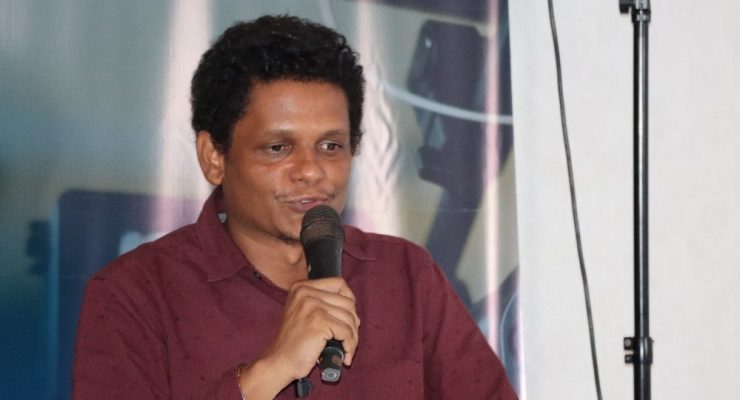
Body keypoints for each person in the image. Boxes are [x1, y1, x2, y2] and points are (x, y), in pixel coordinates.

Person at [72, 14, 517, 399]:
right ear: (214, 157)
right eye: (278, 148)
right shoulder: (134, 294)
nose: (311, 171)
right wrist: (271, 370)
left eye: (331, 145)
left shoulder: (406, 275)